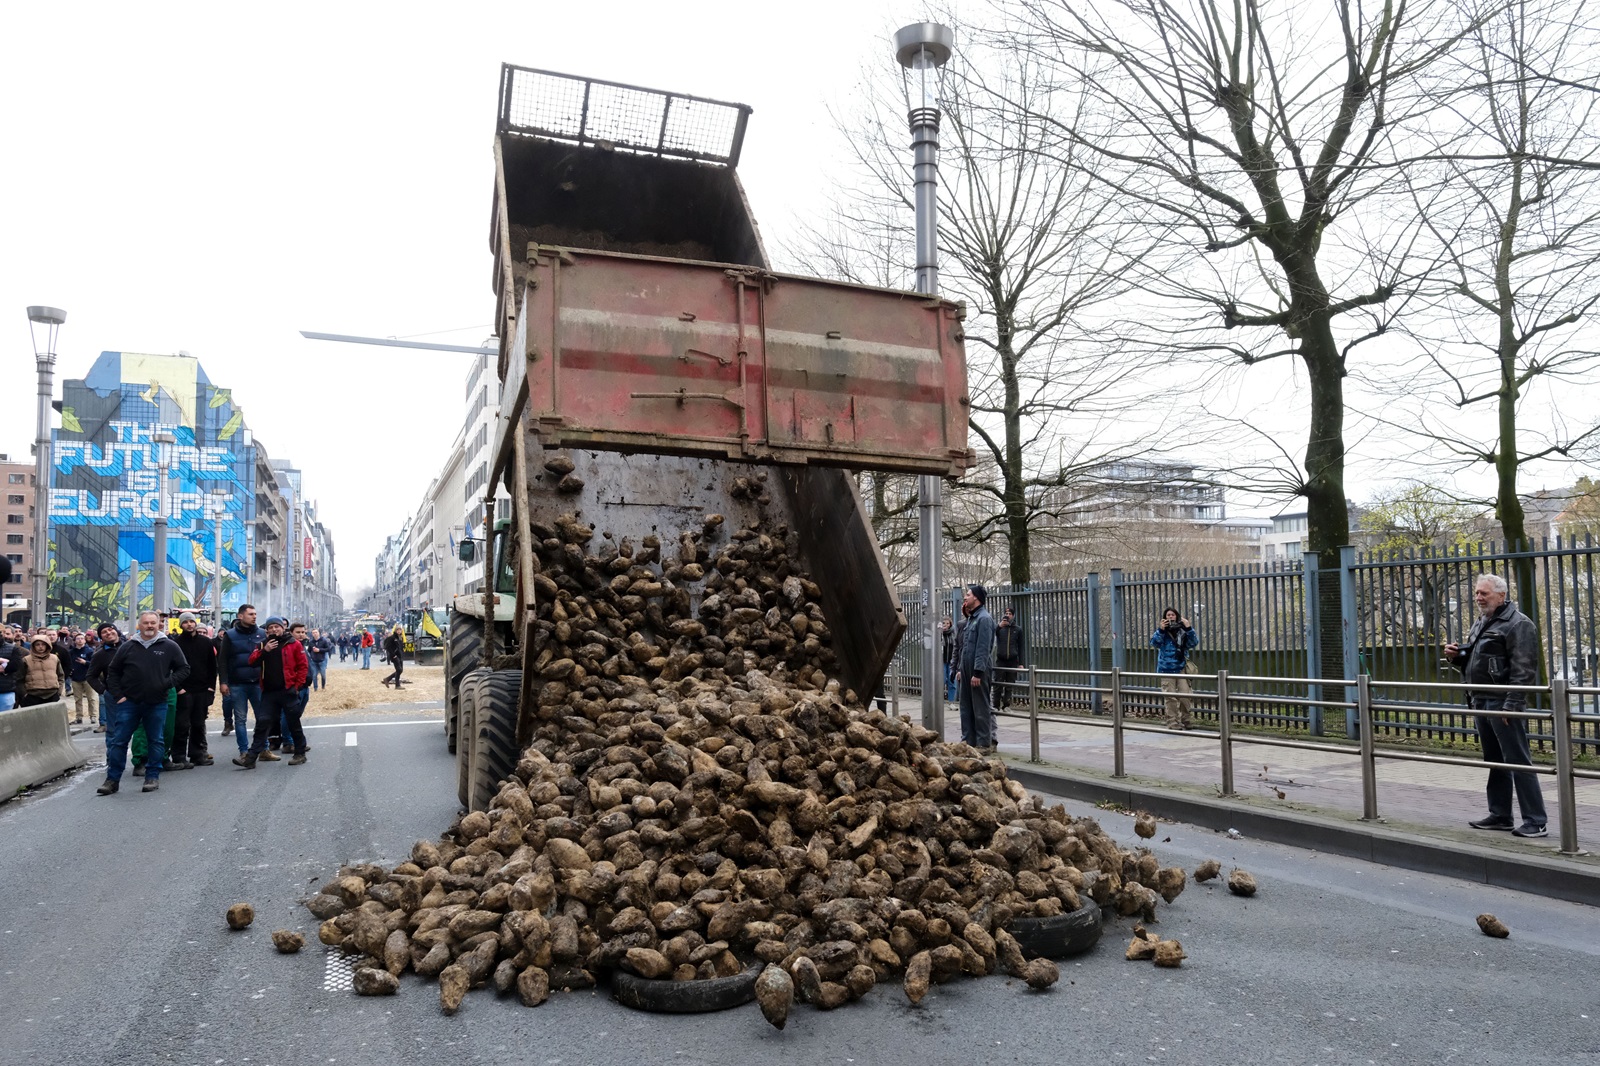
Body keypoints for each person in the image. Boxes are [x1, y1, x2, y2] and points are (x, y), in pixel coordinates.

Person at [1446, 573, 1547, 838]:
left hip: (1502, 702)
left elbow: (1524, 670)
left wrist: (1512, 705)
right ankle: (1501, 815)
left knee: (1518, 761)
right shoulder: (1482, 621)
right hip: (1481, 699)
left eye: (1484, 593)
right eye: (1477, 593)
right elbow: (1479, 659)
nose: (1478, 598)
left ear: (1501, 595)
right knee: (1495, 761)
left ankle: (1536, 820)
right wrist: (1458, 657)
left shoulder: (1518, 624)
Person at [98, 611, 189, 795]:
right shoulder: (128, 647)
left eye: (153, 623)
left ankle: (152, 776)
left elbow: (184, 668)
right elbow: (113, 672)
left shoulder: (169, 646)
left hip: (157, 702)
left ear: (158, 625)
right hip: (129, 703)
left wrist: (166, 684)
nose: (149, 626)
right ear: (139, 625)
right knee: (119, 741)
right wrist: (118, 696)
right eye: (146, 623)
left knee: (156, 740)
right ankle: (112, 780)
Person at [234, 616, 309, 768]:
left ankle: (300, 753)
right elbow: (251, 661)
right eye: (271, 627)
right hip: (269, 692)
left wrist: (296, 687)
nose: (274, 629)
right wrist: (264, 651)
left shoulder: (293, 644)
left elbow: (303, 667)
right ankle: (251, 758)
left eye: (277, 627)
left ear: (283, 628)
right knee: (262, 724)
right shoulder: (262, 644)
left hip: (288, 690)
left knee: (293, 723)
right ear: (267, 630)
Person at [218, 604, 269, 759]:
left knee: (263, 717)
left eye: (255, 614)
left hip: (257, 683)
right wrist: (223, 682)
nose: (254, 616)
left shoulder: (262, 633)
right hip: (237, 683)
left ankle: (264, 749)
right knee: (240, 719)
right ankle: (244, 751)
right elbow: (223, 660)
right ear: (240, 616)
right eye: (250, 614)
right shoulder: (230, 635)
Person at [171, 612, 218, 768]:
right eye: (186, 622)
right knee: (181, 725)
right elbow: (170, 668)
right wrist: (179, 688)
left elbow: (212, 667)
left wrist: (211, 688)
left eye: (192, 621)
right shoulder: (175, 644)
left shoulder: (206, 642)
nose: (189, 624)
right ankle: (178, 756)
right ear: (180, 625)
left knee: (198, 724)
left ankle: (197, 755)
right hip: (184, 691)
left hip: (202, 689)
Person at [957, 584, 997, 753]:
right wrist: (960, 669)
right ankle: (968, 740)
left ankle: (983, 743)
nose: (965, 597)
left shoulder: (984, 619)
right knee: (966, 706)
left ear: (977, 598)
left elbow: (983, 648)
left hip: (977, 671)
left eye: (968, 594)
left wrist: (978, 672)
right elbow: (964, 647)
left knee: (980, 706)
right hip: (966, 669)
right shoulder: (972, 619)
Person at [1150, 607, 1199, 729]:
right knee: (1170, 697)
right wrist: (1161, 630)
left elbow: (1193, 643)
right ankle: (1172, 722)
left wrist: (1188, 628)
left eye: (1172, 615)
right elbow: (1154, 643)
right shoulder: (1162, 632)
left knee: (1185, 696)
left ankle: (1186, 721)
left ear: (1177, 616)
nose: (1170, 617)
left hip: (1181, 667)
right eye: (1168, 615)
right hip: (1166, 669)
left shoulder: (1182, 631)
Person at [86, 622, 122, 732]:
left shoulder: (130, 648)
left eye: (110, 629)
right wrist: (104, 691)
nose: (108, 633)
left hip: (134, 694)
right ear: (101, 637)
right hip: (113, 696)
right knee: (114, 731)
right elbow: (91, 676)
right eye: (104, 632)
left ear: (117, 631)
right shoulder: (99, 655)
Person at [18, 634, 67, 708]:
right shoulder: (26, 660)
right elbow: (19, 679)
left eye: (43, 644)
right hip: (32, 695)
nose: (40, 647)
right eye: (37, 644)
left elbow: (60, 675)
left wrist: (59, 691)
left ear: (48, 645)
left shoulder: (54, 658)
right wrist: (24, 694)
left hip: (52, 694)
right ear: (33, 646)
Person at [994, 607, 1026, 710]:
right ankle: (995, 705)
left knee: (1009, 684)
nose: (1008, 615)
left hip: (1012, 660)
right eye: (1006, 613)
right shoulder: (1000, 628)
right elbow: (992, 632)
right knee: (998, 683)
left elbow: (1021, 647)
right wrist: (999, 626)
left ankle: (1006, 705)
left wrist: (1021, 663)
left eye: (1010, 613)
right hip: (1001, 660)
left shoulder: (1018, 629)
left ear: (1013, 615)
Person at [69, 633, 96, 723]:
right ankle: (79, 717)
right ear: (75, 641)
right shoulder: (71, 652)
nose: (80, 640)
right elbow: (68, 664)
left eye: (82, 638)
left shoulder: (90, 651)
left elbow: (94, 664)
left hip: (87, 678)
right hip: (75, 678)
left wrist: (85, 662)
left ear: (85, 640)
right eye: (78, 638)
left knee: (91, 698)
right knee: (77, 699)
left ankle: (93, 716)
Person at [0, 624, 24, 711]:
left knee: (4, 721)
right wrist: (3, 661)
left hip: (5, 691)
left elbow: (15, 666)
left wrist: (5, 666)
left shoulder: (13, 649)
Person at [941, 615, 957, 702]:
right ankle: (940, 700)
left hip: (950, 661)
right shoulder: (939, 634)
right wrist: (940, 632)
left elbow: (956, 645)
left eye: (948, 623)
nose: (946, 625)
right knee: (942, 680)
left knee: (951, 681)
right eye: (944, 623)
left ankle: (951, 701)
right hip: (942, 661)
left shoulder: (953, 633)